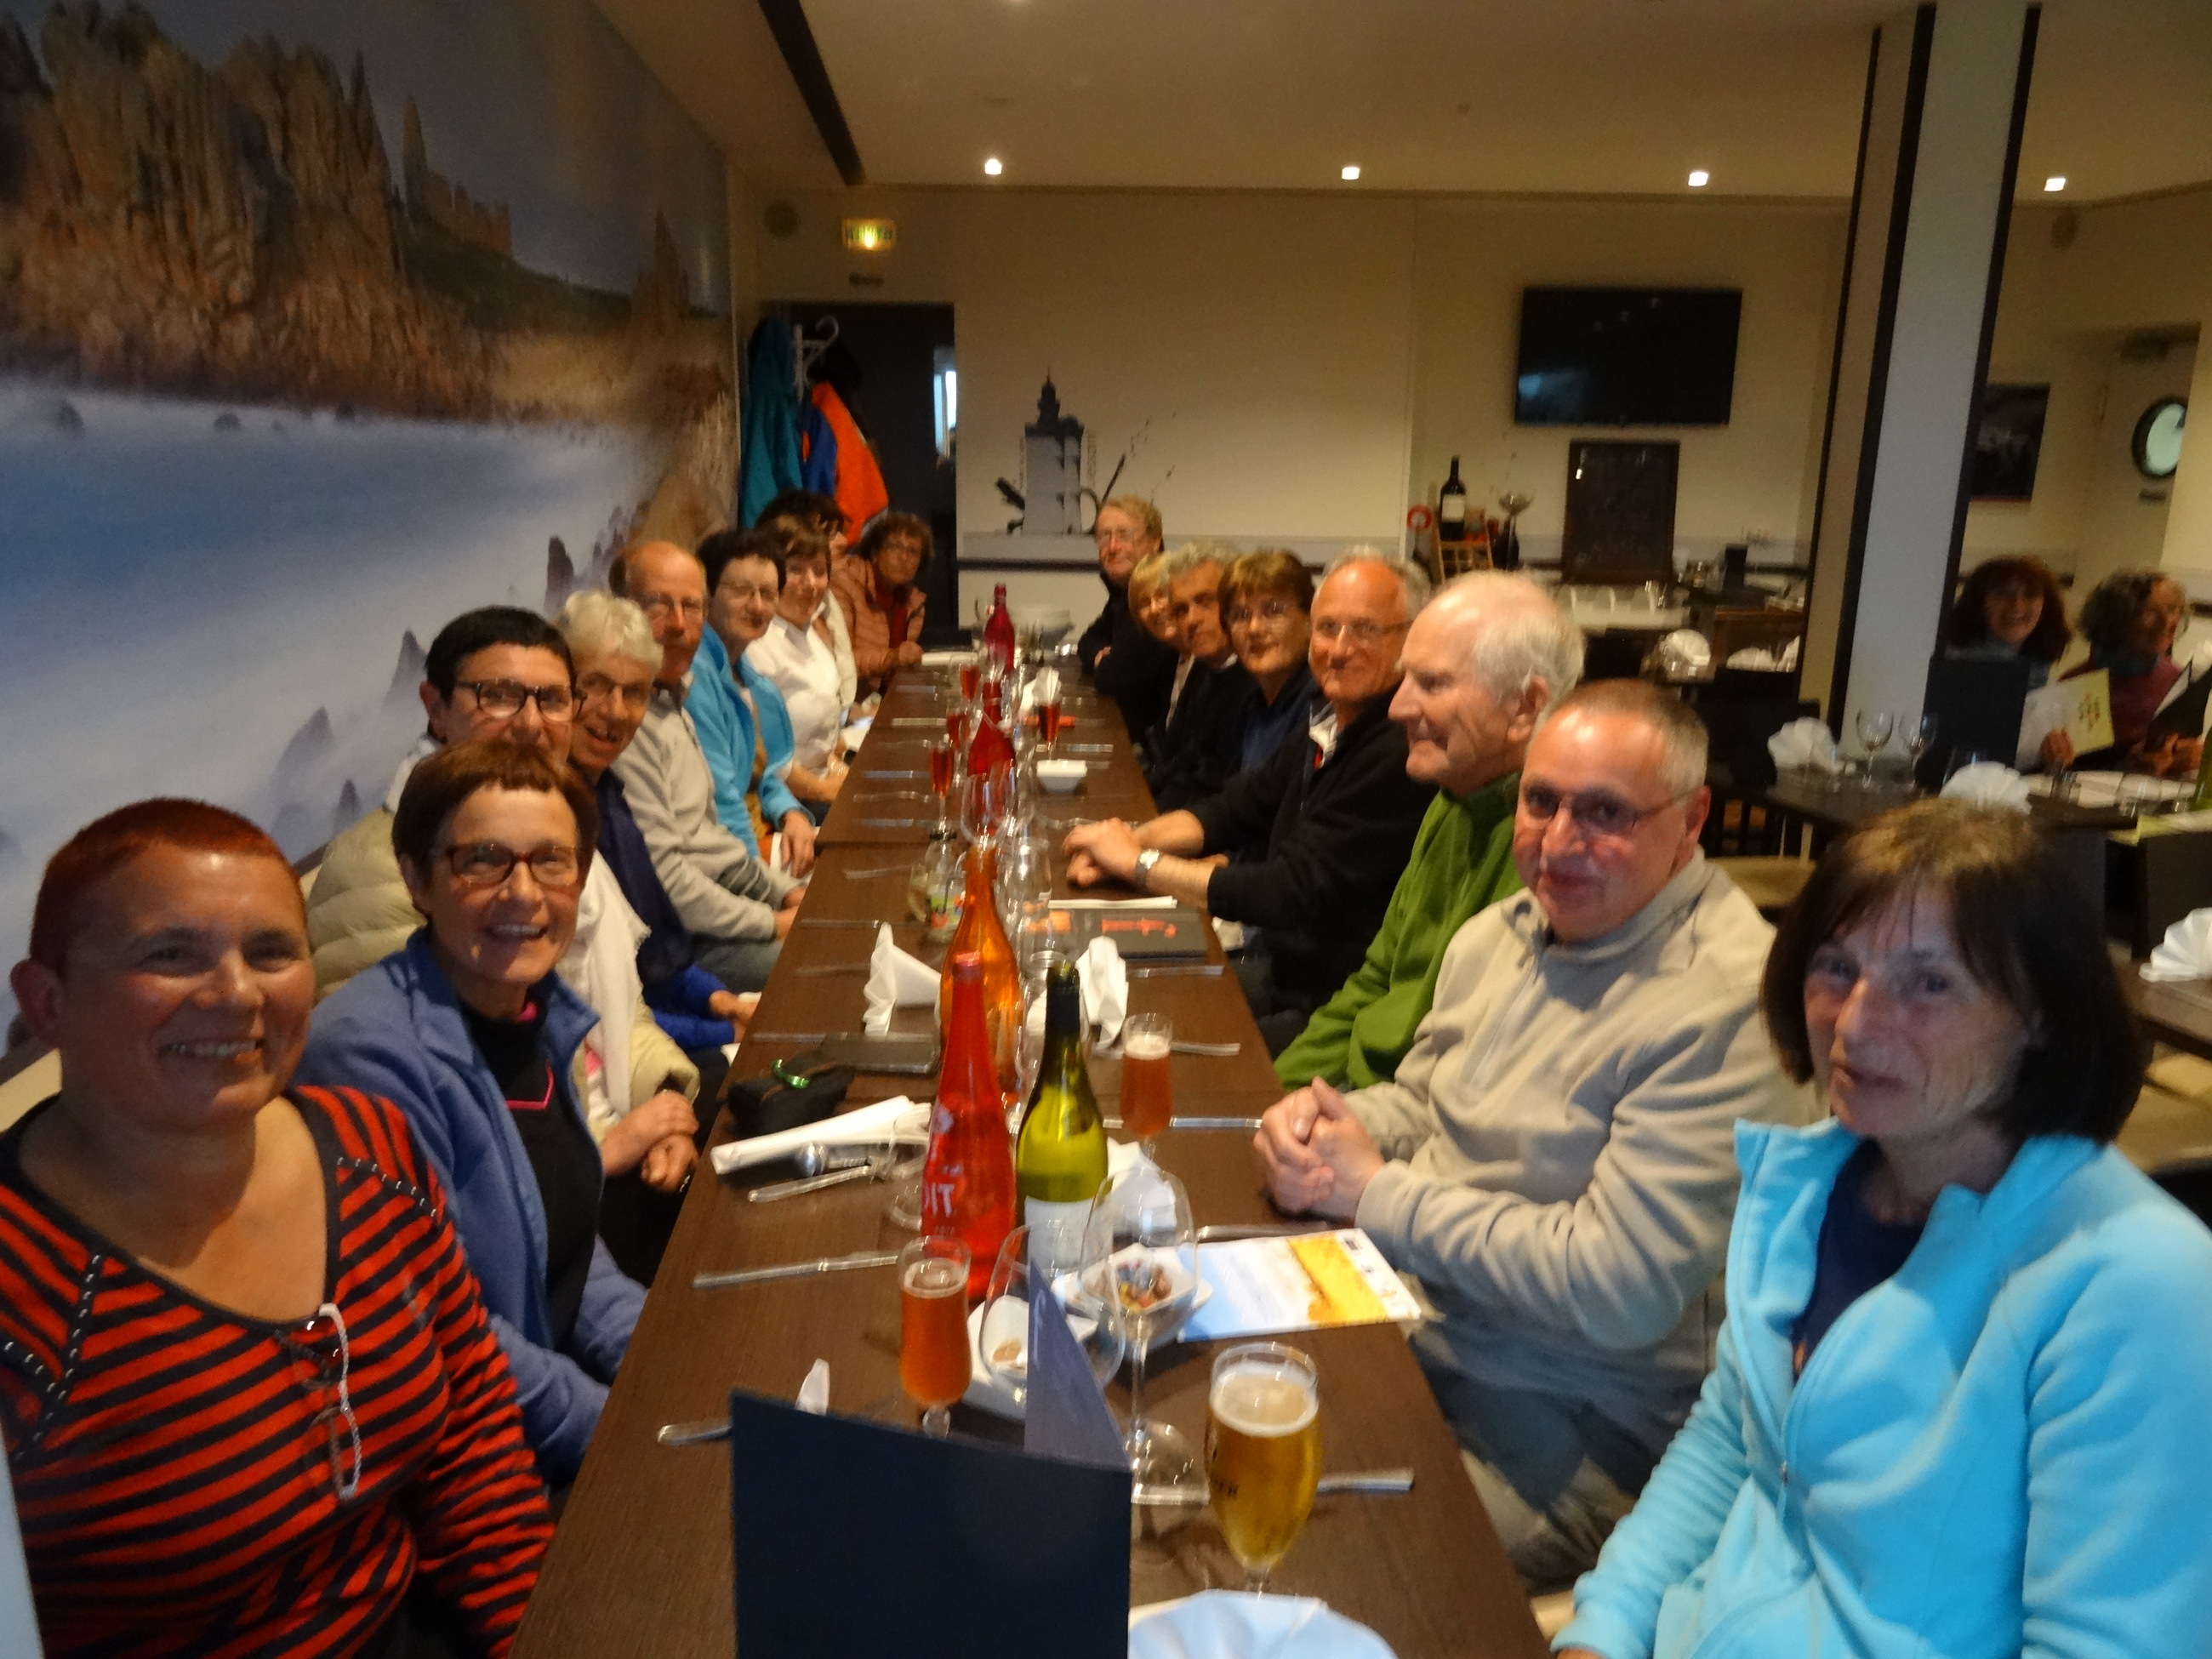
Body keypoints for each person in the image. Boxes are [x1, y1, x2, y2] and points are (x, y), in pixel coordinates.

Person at [1555, 799, 2212, 1659]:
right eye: (1836, 967)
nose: (1856, 1024)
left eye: (1928, 984)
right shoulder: (1810, 1184)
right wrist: (1601, 1629)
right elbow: (1726, 1449)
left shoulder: (2137, 1283)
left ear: (2039, 1013)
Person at [1252, 680, 1815, 1588]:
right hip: (1419, 1325)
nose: (1556, 842)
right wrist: (1328, 1131)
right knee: (1194, 1425)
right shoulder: (1502, 932)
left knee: (1308, 1559)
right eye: (1540, 801)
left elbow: (1617, 1287)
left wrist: (1374, 1192)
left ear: (1692, 819)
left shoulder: (1727, 1006)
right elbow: (1426, 1102)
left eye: (1604, 812)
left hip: (1581, 1422)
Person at [3, 799, 553, 1654]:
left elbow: (472, 1446)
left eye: (270, 952)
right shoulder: (22, 1289)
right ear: (47, 1002)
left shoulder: (368, 1147)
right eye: (169, 955)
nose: (234, 994)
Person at [299, 743, 646, 1485]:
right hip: (471, 1467)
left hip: (544, 1404)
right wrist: (619, 1430)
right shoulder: (366, 1055)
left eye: (552, 861)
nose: (523, 893)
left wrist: (661, 1360)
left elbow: (568, 1250)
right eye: (483, 860)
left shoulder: (532, 1009)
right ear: (416, 878)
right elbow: (444, 1329)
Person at [304, 606, 704, 1185]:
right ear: (436, 708)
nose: (531, 724)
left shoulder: (557, 829)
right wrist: (608, 1148)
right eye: (499, 696)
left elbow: (618, 1008)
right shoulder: (383, 866)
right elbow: (421, 1118)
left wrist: (664, 1099)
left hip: (606, 1134)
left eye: (553, 699)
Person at [1064, 551, 1438, 1052]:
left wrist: (1137, 864)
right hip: (1285, 972)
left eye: (1365, 630)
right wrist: (1127, 841)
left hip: (1332, 1001)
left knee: (1143, 1050)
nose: (1339, 649)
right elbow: (1235, 808)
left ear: (1412, 640)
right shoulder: (1330, 719)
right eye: (1329, 628)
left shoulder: (1398, 749)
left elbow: (1286, 889)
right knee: (1106, 1006)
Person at [1275, 573, 1582, 1090]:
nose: (1397, 707)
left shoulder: (1555, 852)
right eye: (1406, 679)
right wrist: (1272, 1091)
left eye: (1433, 684)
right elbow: (1376, 981)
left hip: (1407, 1111)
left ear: (1525, 706)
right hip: (1360, 1091)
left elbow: (1474, 1071)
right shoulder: (1452, 798)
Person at [561, 590, 755, 1280]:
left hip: (633, 1079)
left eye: (634, 692)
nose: (614, 711)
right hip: (591, 1143)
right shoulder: (554, 818)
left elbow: (639, 977)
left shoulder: (603, 795)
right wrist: (715, 1034)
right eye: (594, 687)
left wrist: (716, 1003)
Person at [608, 539, 804, 994]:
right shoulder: (622, 725)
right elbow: (667, 880)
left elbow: (712, 840)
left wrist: (783, 892)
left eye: (691, 606)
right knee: (840, 965)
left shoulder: (671, 695)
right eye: (658, 605)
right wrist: (771, 921)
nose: (678, 624)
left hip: (720, 912)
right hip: (684, 944)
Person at [693, 528, 816, 876]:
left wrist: (791, 813)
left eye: (768, 594)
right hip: (722, 857)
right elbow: (722, 802)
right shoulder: (696, 674)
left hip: (760, 832)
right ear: (707, 594)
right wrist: (765, 890)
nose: (758, 606)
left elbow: (764, 774)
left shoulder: (745, 674)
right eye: (741, 591)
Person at [748, 516, 853, 817]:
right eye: (795, 570)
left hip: (822, 781)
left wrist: (838, 769)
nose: (811, 583)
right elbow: (763, 756)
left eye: (819, 571)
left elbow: (824, 738)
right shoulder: (756, 645)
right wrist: (826, 791)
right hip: (784, 803)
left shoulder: (809, 633)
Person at [1145, 541, 1259, 810]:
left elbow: (1223, 794)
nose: (1192, 620)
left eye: (1205, 601)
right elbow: (1176, 762)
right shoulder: (1203, 668)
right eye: (1181, 610)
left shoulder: (1258, 680)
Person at [2064, 567, 2206, 778]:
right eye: (2150, 611)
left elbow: (2181, 748)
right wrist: (2126, 768)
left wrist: (2189, 756)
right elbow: (2056, 773)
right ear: (2115, 618)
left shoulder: (2177, 680)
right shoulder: (2076, 686)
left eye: (2172, 609)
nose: (2167, 622)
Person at [1083, 496, 1178, 743]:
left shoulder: (1162, 598)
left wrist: (1107, 663)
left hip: (1156, 749)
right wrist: (1101, 658)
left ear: (1155, 541)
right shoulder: (1123, 594)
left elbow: (1113, 678)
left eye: (1125, 535)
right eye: (1104, 536)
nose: (1113, 547)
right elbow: (1088, 641)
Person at [1222, 549, 1319, 772]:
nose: (1254, 629)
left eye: (1273, 611)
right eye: (1240, 615)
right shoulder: (1253, 702)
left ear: (1310, 618)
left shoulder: (1318, 706)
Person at [833, 510, 932, 696]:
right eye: (895, 547)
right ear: (875, 553)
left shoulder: (913, 603)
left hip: (884, 699)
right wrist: (890, 658)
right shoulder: (845, 584)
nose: (904, 557)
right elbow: (838, 661)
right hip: (847, 701)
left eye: (913, 551)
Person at [1944, 554, 2071, 690]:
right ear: (1978, 603)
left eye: (2030, 594)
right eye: (2002, 594)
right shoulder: (1955, 665)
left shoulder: (2038, 660)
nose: (2017, 605)